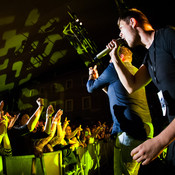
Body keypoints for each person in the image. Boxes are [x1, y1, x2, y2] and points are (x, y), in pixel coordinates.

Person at [107, 8, 175, 172]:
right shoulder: (149, 56)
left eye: (121, 29)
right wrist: (115, 59)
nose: (120, 35)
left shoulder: (168, 36)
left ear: (132, 21)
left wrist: (160, 141)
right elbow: (131, 86)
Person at [86, 46, 153, 174]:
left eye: (111, 58)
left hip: (129, 130)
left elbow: (90, 88)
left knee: (121, 172)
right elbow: (116, 93)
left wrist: (91, 76)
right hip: (145, 127)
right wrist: (101, 80)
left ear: (120, 57)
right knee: (132, 172)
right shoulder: (135, 70)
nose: (110, 62)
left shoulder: (115, 67)